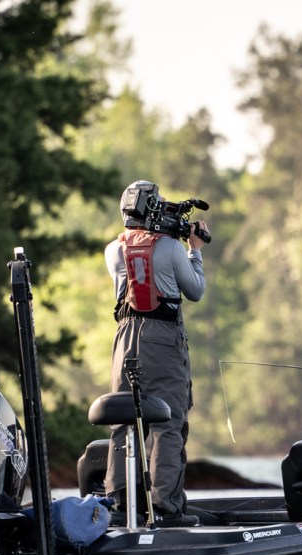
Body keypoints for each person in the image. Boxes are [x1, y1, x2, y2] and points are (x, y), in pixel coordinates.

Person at [104, 179, 208, 527]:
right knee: (167, 421)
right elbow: (195, 290)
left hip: (125, 337)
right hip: (163, 337)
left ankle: (120, 505)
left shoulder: (112, 249)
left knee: (124, 420)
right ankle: (165, 508)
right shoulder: (172, 248)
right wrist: (195, 250)